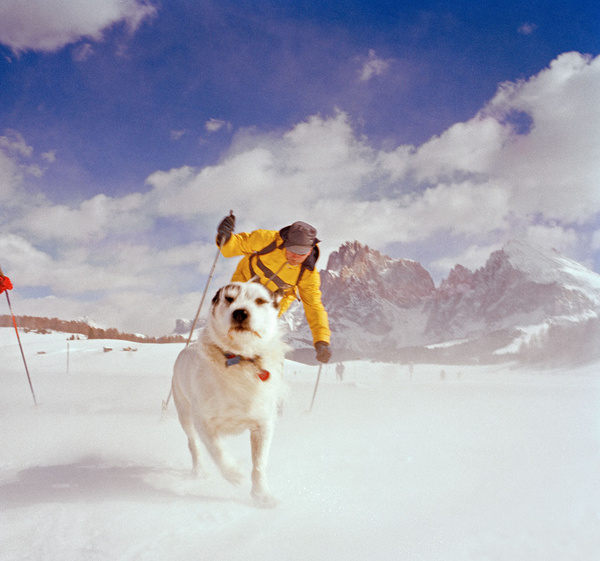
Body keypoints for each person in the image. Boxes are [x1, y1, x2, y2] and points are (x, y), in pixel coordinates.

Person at [216, 213, 332, 364]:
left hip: (272, 301)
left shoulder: (307, 274)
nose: (295, 256)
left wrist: (321, 341)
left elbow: (314, 306)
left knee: (259, 327)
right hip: (246, 282)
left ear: (310, 251)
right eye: (292, 250)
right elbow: (234, 247)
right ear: (285, 242)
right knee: (234, 313)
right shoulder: (267, 240)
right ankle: (222, 349)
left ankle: (250, 360)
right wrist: (225, 237)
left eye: (301, 253)